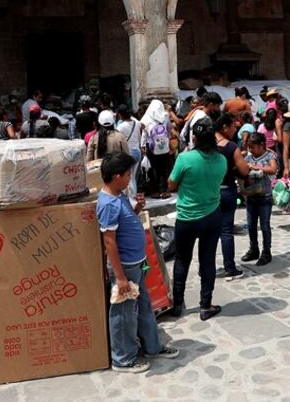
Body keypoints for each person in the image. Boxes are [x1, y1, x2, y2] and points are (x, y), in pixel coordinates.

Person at [98, 151, 180, 373]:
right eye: (127, 175)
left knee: (144, 306)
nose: (129, 179)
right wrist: (121, 278)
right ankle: (122, 358)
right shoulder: (107, 204)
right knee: (123, 313)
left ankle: (152, 346)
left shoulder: (119, 196)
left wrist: (137, 209)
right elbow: (109, 242)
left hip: (136, 264)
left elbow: (126, 224)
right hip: (124, 268)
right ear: (116, 176)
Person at [168, 118, 225, 320]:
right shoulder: (222, 160)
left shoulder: (185, 159)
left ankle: (177, 304)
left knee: (182, 260)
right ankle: (205, 305)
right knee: (207, 260)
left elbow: (171, 185)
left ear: (194, 138)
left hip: (187, 218)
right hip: (212, 216)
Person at [215, 114, 248, 279]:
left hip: (208, 192)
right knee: (226, 231)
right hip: (226, 190)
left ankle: (206, 268)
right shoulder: (231, 147)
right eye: (234, 127)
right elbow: (244, 171)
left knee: (209, 233)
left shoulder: (204, 145)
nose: (236, 130)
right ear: (224, 127)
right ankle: (230, 268)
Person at [241, 132, 277, 266]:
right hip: (251, 197)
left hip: (265, 197)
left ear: (261, 145)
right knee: (251, 226)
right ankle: (253, 249)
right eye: (249, 147)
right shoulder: (249, 157)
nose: (251, 150)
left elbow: (273, 169)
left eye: (253, 147)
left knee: (265, 226)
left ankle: (266, 252)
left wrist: (257, 167)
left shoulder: (269, 156)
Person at [140, 99, 174, 198]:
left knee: (153, 168)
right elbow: (169, 129)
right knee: (164, 168)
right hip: (164, 146)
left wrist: (142, 146)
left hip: (151, 146)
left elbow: (144, 133)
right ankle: (164, 190)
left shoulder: (147, 117)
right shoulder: (165, 116)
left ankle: (155, 191)